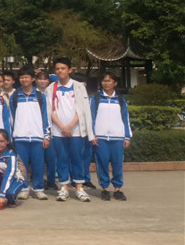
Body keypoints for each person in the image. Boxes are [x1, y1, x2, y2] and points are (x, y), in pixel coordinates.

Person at [48, 58, 94, 202]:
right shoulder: (51, 88)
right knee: (61, 159)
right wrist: (62, 127)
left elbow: (83, 109)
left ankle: (79, 188)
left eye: (63, 68)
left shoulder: (79, 86)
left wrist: (70, 126)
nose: (60, 71)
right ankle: (64, 187)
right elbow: (50, 110)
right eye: (57, 68)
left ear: (70, 70)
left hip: (75, 130)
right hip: (58, 130)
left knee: (77, 158)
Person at [90, 72, 132, 201]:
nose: (106, 83)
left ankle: (118, 189)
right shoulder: (96, 98)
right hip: (101, 137)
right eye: (104, 80)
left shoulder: (120, 99)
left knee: (117, 164)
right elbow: (91, 117)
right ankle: (105, 189)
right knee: (101, 163)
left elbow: (125, 118)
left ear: (115, 83)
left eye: (109, 80)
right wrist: (92, 135)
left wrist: (127, 136)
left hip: (117, 137)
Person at [10, 67, 50, 200]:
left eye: (27, 77)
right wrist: (12, 135)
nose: (24, 80)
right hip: (20, 136)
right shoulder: (15, 96)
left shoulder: (40, 96)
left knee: (38, 165)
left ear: (33, 79)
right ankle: (24, 188)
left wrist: (46, 135)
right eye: (21, 77)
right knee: (22, 165)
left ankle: (38, 189)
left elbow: (45, 116)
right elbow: (11, 117)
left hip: (37, 136)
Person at [0, 128, 24, 207]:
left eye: (2, 141)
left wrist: (2, 195)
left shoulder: (11, 155)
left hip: (14, 179)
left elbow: (9, 175)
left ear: (7, 141)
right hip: (0, 178)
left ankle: (9, 199)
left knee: (10, 193)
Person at [37, 70, 58, 190]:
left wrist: (48, 74)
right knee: (38, 158)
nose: (42, 81)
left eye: (45, 79)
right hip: (36, 128)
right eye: (40, 78)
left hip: (52, 128)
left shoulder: (51, 91)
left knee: (51, 157)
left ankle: (51, 181)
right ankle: (37, 179)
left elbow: (58, 79)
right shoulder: (33, 92)